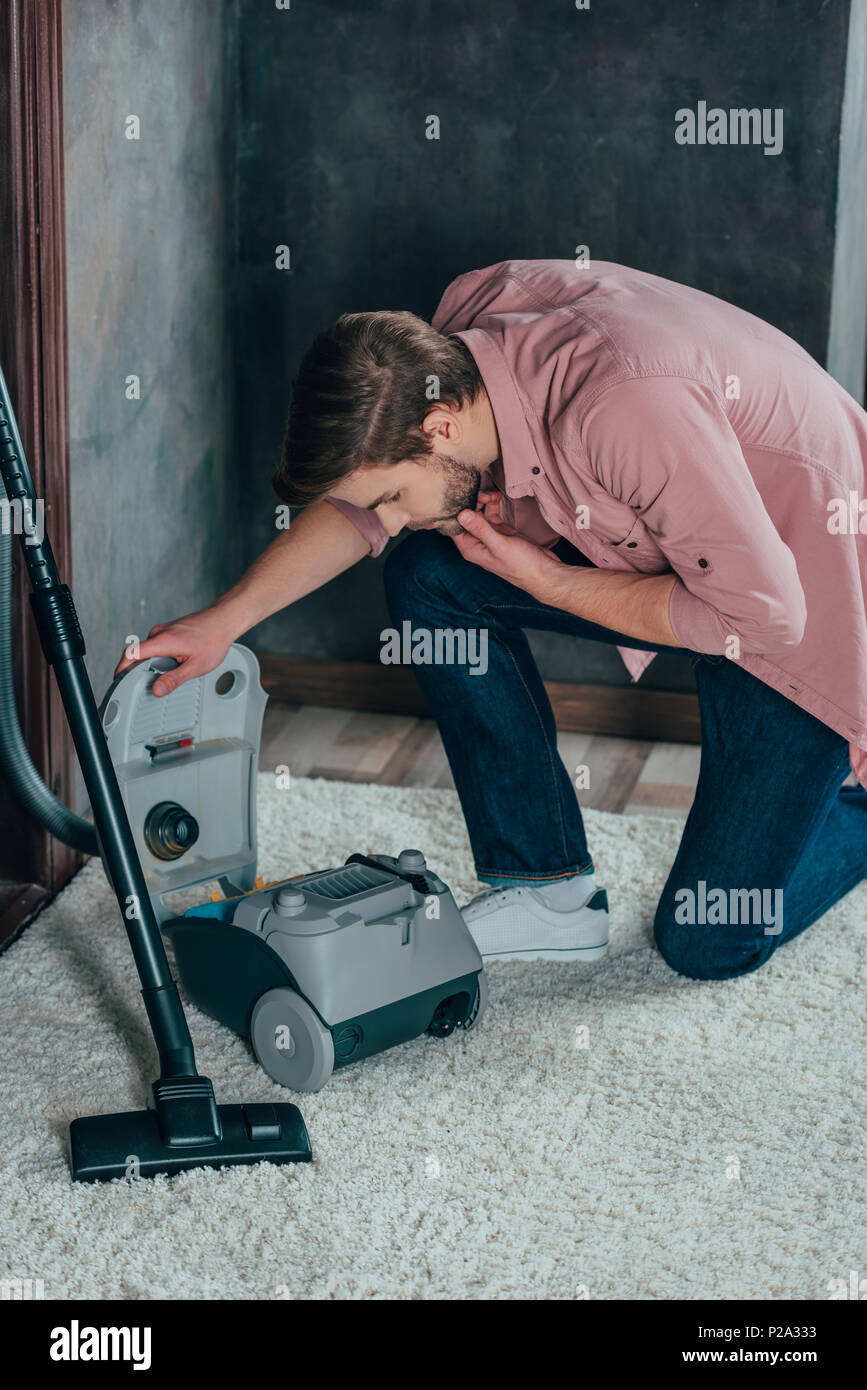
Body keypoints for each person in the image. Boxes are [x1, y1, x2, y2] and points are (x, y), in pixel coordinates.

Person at [116, 259, 867, 980]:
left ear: (439, 428)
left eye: (391, 497)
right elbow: (358, 507)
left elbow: (764, 614)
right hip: (696, 561)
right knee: (429, 572)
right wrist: (224, 620)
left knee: (705, 941)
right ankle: (549, 891)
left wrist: (550, 578)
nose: (389, 519)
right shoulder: (461, 334)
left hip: (810, 612)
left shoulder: (619, 409)